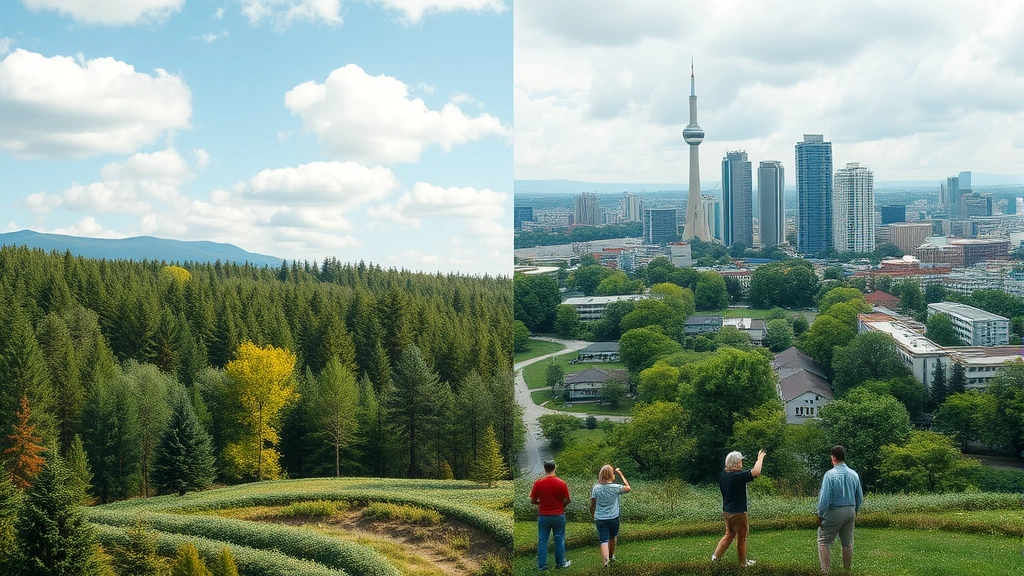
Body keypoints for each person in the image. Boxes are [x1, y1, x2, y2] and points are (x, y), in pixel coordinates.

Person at [711, 449, 766, 567]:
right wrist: (760, 458)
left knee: (729, 534)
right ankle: (743, 563)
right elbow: (756, 471)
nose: (742, 464)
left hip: (727, 512)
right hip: (738, 513)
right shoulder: (737, 476)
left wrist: (752, 474)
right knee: (742, 537)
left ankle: (715, 558)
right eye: (741, 461)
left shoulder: (724, 475)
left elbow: (749, 474)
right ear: (735, 464)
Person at [816, 445, 863, 574]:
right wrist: (855, 511)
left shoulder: (829, 475)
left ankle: (825, 571)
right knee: (847, 543)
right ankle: (846, 571)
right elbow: (859, 497)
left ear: (833, 457)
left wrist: (820, 515)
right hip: (851, 509)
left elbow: (825, 499)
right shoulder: (854, 474)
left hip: (834, 510)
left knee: (823, 540)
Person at [530, 460, 572, 570]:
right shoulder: (561, 483)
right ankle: (560, 563)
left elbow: (533, 501)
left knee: (543, 540)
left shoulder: (538, 483)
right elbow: (568, 500)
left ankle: (542, 565)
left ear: (545, 469)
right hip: (558, 514)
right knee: (559, 539)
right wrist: (561, 506)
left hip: (543, 515)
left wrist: (542, 503)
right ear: (555, 468)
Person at [589, 465, 631, 568]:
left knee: (603, 540)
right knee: (612, 537)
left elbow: (592, 504)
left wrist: (593, 514)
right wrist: (620, 473)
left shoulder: (596, 488)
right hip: (613, 517)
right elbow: (628, 488)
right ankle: (611, 557)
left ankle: (605, 562)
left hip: (600, 518)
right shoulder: (616, 487)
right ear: (611, 475)